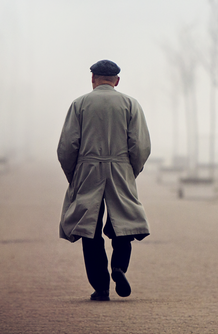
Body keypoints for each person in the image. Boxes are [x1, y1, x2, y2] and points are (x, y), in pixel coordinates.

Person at [57, 59, 152, 301]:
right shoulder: (130, 104)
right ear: (117, 81)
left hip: (88, 169)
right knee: (125, 220)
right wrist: (132, 171)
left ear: (93, 79)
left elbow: (67, 147)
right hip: (121, 168)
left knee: (90, 228)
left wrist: (74, 176)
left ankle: (100, 286)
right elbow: (140, 145)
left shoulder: (79, 105)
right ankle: (119, 266)